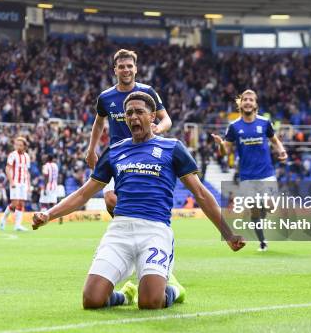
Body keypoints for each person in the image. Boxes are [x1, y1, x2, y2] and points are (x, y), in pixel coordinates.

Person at [33, 92, 245, 310]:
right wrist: (48, 214)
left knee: (150, 302)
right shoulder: (115, 151)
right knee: (92, 300)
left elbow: (201, 194)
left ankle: (174, 290)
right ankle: (124, 296)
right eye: (129, 113)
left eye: (139, 112)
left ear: (152, 116)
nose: (133, 117)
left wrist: (228, 234)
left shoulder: (172, 148)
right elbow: (83, 194)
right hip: (120, 231)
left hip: (155, 231)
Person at [85, 49, 172, 215]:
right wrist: (91, 149)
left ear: (136, 69)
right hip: (117, 153)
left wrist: (158, 128)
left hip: (143, 152)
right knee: (111, 201)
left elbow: (167, 119)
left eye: (129, 66)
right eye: (122, 66)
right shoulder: (105, 97)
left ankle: (135, 226)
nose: (126, 70)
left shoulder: (147, 92)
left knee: (139, 199)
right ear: (115, 70)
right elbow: (98, 123)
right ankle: (126, 226)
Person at [212, 89, 287, 252]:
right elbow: (225, 151)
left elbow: (274, 140)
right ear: (241, 103)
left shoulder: (264, 123)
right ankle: (262, 242)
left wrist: (281, 150)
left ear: (255, 104)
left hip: (266, 173)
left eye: (251, 100)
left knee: (271, 206)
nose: (247, 102)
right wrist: (220, 144)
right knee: (254, 211)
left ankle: (261, 210)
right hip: (247, 176)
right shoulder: (234, 127)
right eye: (245, 99)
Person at [0, 137, 31, 231]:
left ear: (24, 146)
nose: (18, 147)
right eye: (17, 145)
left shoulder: (27, 156)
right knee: (15, 203)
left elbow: (27, 171)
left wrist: (28, 184)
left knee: (21, 203)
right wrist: (11, 181)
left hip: (24, 182)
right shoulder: (12, 155)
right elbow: (7, 168)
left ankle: (17, 225)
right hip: (15, 182)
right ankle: (3, 219)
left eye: (20, 145)